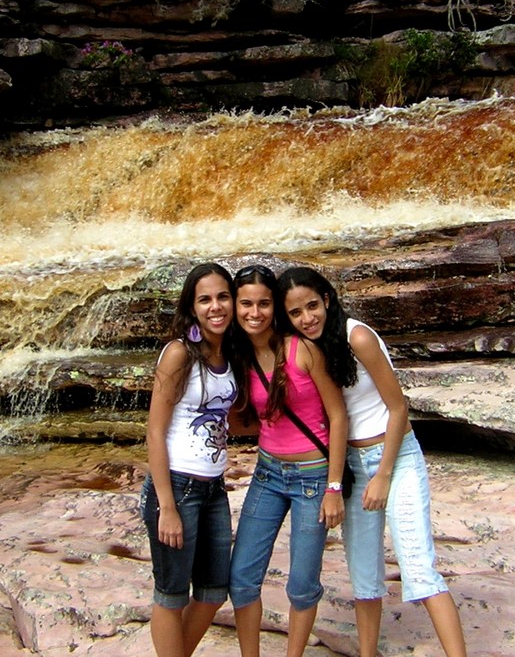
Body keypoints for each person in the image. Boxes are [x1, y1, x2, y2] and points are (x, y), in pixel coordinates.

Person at [276, 266, 468, 657]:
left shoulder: (357, 336)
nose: (307, 318)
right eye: (296, 313)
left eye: (313, 306)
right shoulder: (305, 348)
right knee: (364, 575)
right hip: (351, 465)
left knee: (417, 565)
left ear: (327, 300)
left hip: (394, 458)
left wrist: (383, 475)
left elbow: (399, 408)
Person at [227, 264, 348, 657]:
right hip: (267, 474)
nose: (254, 313)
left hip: (313, 478)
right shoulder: (238, 355)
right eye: (246, 304)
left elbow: (338, 416)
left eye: (264, 304)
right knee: (242, 577)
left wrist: (334, 487)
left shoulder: (302, 349)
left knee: (301, 584)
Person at [141, 262, 240, 657]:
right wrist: (166, 506)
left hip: (214, 488)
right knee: (172, 594)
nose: (215, 306)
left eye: (222, 297)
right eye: (205, 299)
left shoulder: (229, 351)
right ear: (192, 307)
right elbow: (154, 431)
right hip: (177, 488)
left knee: (215, 591)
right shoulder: (179, 353)